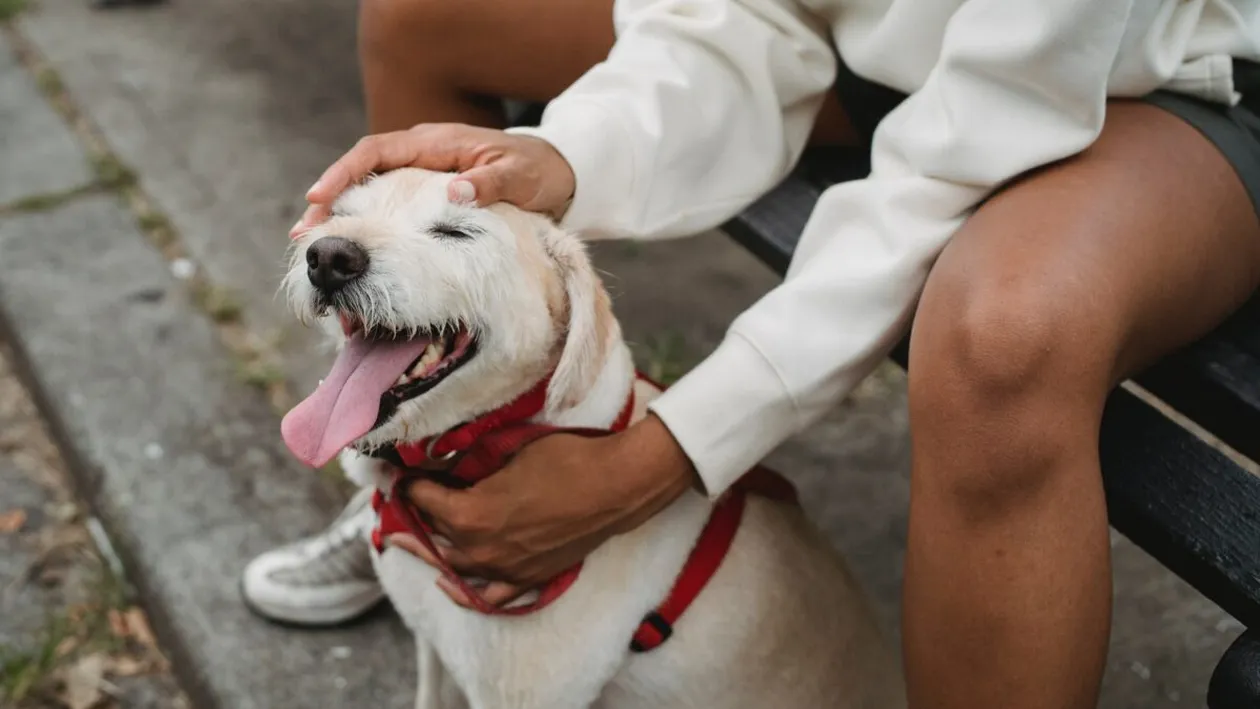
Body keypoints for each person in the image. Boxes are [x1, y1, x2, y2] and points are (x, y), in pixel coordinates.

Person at [241, 0, 1260, 706]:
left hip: (1162, 73)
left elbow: (979, 135)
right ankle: (420, 481)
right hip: (881, 50)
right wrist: (564, 157)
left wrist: (660, 455)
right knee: (424, 18)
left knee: (1004, 333)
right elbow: (732, 17)